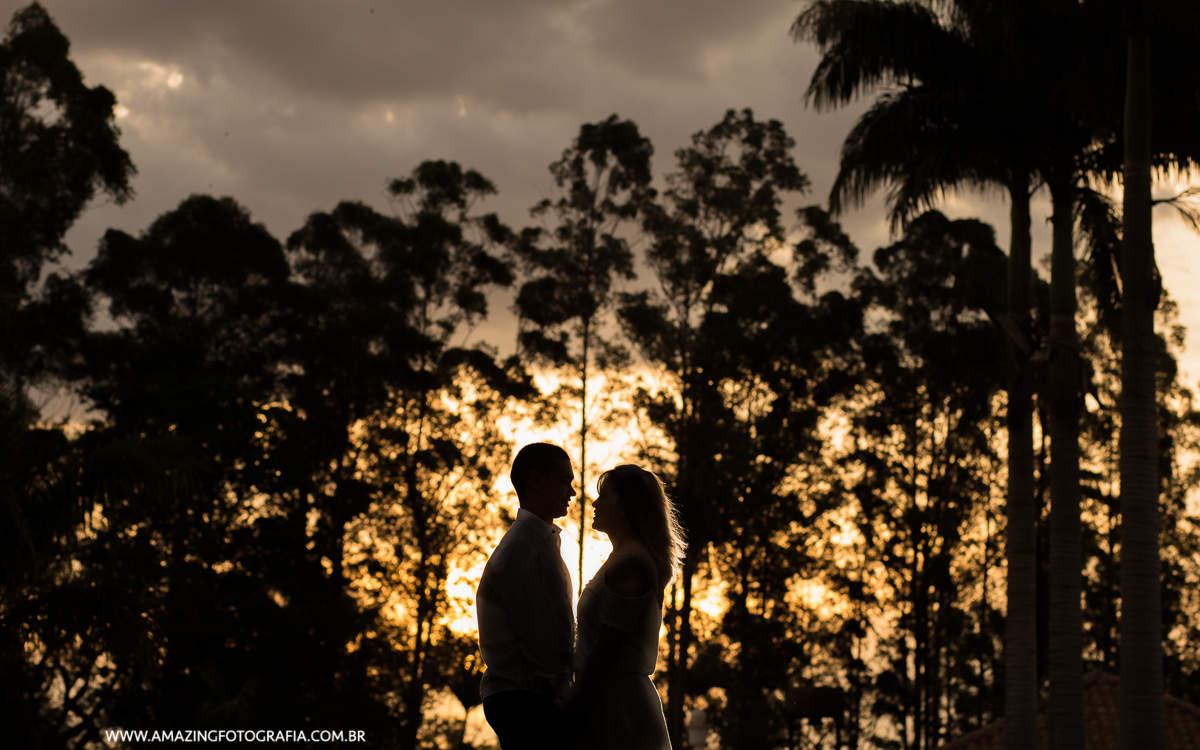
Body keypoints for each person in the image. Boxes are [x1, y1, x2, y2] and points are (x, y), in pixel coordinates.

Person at [566, 464, 685, 750]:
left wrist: (572, 708)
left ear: (627, 506)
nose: (595, 503)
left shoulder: (631, 564)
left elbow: (608, 649)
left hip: (619, 711)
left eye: (605, 496)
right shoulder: (623, 559)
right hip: (609, 702)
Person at [477, 442, 577, 749]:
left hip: (527, 698)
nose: (572, 493)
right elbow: (540, 636)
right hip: (526, 701)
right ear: (535, 480)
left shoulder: (538, 543)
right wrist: (564, 693)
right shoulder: (524, 549)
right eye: (565, 481)